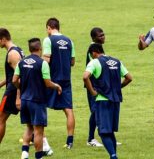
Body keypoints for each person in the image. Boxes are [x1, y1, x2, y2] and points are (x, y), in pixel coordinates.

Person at [12, 38, 62, 159]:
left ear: (29, 49)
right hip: (37, 101)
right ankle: (39, 156)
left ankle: (24, 154)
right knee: (38, 131)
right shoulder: (42, 63)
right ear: (40, 49)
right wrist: (57, 86)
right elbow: (48, 83)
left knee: (29, 127)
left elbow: (14, 80)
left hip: (25, 100)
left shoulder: (21, 62)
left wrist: (22, 87)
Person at [83, 43, 132, 159]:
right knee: (110, 131)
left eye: (92, 55)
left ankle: (113, 156)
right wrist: (117, 87)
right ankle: (113, 156)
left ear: (94, 52)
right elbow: (129, 77)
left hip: (102, 100)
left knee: (103, 132)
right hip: (115, 101)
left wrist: (92, 91)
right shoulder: (116, 61)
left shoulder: (95, 62)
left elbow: (85, 77)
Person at [42, 17, 75, 149]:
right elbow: (72, 62)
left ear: (49, 27)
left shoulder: (48, 40)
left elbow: (46, 60)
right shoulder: (69, 41)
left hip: (51, 79)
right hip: (66, 79)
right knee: (68, 109)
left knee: (41, 106)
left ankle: (39, 137)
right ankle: (70, 141)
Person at [0, 28, 24, 144]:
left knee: (1, 119)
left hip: (13, 91)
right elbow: (12, 75)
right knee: (30, 119)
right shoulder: (17, 49)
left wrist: (18, 97)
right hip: (15, 88)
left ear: (3, 39)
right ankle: (40, 141)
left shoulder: (12, 54)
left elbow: (19, 76)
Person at [85, 27, 105, 147]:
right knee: (95, 111)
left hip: (98, 86)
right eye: (100, 36)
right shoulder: (92, 50)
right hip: (93, 86)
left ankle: (106, 136)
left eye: (103, 35)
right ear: (93, 38)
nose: (103, 37)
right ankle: (91, 139)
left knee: (99, 111)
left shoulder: (98, 48)